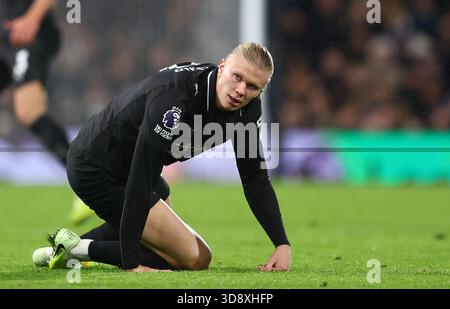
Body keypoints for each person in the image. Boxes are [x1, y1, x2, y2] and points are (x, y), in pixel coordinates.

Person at [33, 42, 292, 272]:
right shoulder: (176, 97)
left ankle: (71, 248)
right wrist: (132, 263)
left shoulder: (246, 109)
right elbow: (140, 179)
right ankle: (78, 249)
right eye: (237, 77)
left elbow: (255, 178)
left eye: (252, 87)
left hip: (131, 163)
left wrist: (281, 244)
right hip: (97, 166)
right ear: (222, 65)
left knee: (163, 233)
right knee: (196, 258)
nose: (241, 90)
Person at [0, 0, 95, 225]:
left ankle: (89, 182)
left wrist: (32, 18)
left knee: (29, 111)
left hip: (26, 32)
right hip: (6, 35)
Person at [0, 0, 69, 165]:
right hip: (4, 38)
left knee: (29, 111)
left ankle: (86, 176)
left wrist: (32, 19)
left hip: (26, 36)